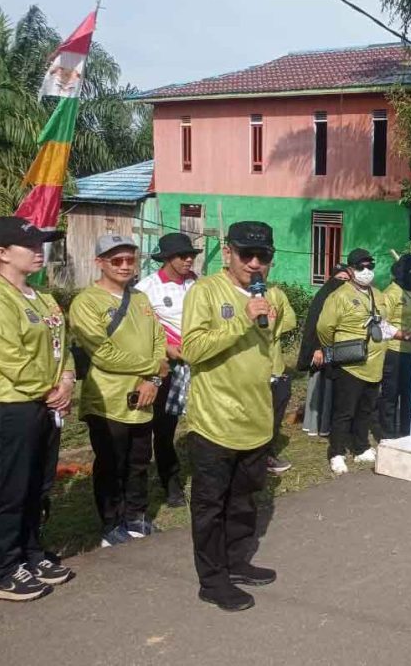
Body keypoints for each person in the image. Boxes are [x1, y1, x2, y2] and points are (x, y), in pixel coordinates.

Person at [180, 221, 290, 611]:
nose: (256, 263)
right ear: (228, 253)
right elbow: (192, 349)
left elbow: (280, 335)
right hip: (216, 421)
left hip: (256, 419)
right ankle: (212, 580)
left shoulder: (271, 294)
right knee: (211, 505)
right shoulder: (205, 292)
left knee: (245, 500)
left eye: (264, 256)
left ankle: (237, 561)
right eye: (247, 255)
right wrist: (242, 319)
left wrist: (269, 317)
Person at [70, 236, 167, 548]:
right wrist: (153, 366)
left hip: (145, 394)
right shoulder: (87, 302)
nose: (125, 266)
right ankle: (111, 523)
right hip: (108, 399)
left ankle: (136, 516)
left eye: (130, 260)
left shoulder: (139, 299)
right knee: (112, 463)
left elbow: (159, 338)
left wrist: (152, 378)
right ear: (100, 262)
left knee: (140, 459)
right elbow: (103, 354)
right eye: (116, 260)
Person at [0, 217, 75, 601]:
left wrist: (66, 382)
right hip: (14, 405)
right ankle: (4, 565)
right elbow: (10, 357)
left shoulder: (42, 296)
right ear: (2, 253)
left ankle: (30, 552)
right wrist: (48, 390)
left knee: (38, 485)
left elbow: (63, 345)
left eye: (41, 243)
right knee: (10, 489)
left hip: (47, 404)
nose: (38, 250)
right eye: (29, 245)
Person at [317, 248, 411, 475]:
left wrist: (403, 335)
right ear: (350, 270)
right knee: (344, 411)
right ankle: (337, 452)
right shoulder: (339, 296)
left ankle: (360, 447)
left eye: (370, 266)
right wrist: (335, 349)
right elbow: (324, 328)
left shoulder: (378, 295)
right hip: (350, 364)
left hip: (375, 364)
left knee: (366, 409)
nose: (366, 271)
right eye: (361, 267)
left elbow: (383, 325)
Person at [135, 233, 200, 507]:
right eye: (182, 256)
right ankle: (170, 483)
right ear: (167, 259)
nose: (188, 260)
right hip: (166, 368)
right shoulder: (146, 289)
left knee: (201, 420)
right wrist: (167, 348)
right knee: (164, 427)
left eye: (191, 255)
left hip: (197, 364)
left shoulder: (197, 283)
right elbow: (142, 329)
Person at [297, 264, 350, 438]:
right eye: (339, 279)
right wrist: (317, 349)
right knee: (321, 386)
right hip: (321, 349)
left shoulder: (348, 298)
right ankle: (315, 424)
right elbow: (315, 327)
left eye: (346, 280)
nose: (342, 283)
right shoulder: (323, 297)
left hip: (340, 349)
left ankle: (331, 424)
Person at [378, 254, 411, 438]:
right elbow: (381, 323)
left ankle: (406, 431)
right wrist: (401, 335)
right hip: (394, 351)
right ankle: (387, 433)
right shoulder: (391, 293)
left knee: (409, 393)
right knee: (391, 394)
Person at [266, 264, 297, 474]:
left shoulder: (275, 294)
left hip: (274, 366)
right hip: (245, 370)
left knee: (274, 413)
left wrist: (273, 332)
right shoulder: (227, 293)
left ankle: (266, 455)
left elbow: (290, 320)